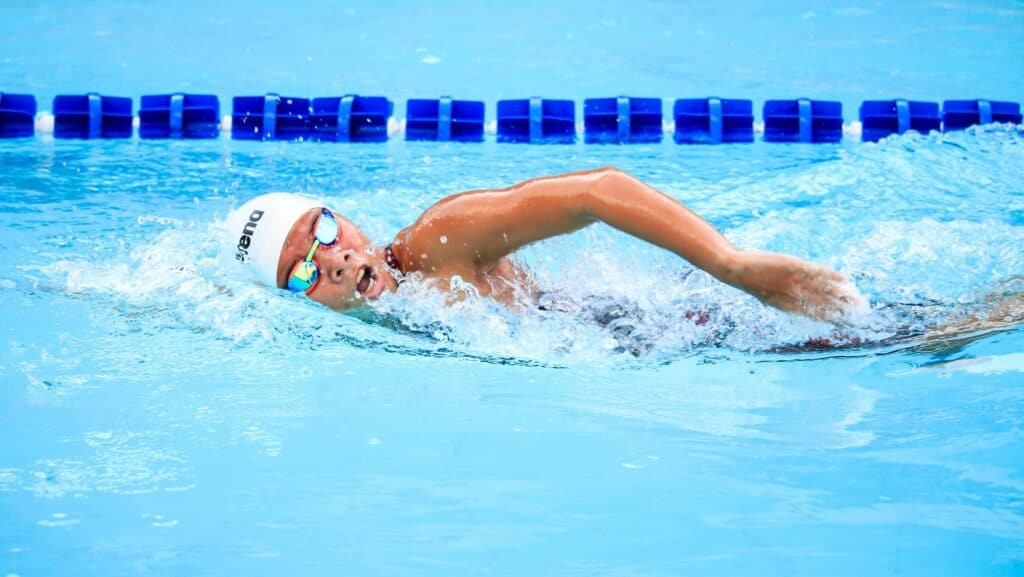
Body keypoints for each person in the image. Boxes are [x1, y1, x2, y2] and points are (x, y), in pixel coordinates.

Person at [225, 166, 865, 325]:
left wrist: (736, 268)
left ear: (352, 225)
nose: (332, 259)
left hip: (664, 328)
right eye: (301, 270)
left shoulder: (436, 241)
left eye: (326, 232)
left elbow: (598, 191)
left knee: (888, 333)